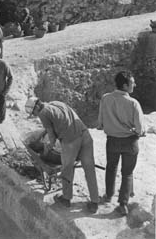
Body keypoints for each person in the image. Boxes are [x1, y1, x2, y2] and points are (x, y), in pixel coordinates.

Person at [25, 97, 99, 213]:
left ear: (36, 107)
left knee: (67, 170)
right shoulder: (56, 103)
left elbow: (51, 135)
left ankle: (66, 199)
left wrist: (48, 148)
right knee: (89, 169)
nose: (35, 115)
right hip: (85, 134)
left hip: (70, 141)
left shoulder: (43, 114)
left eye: (33, 113)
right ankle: (94, 202)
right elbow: (58, 121)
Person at [97, 71, 145, 216]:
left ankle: (108, 196)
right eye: (132, 83)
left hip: (112, 141)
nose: (134, 85)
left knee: (111, 168)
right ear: (125, 86)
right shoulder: (133, 103)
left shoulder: (105, 98)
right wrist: (138, 132)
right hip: (130, 142)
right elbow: (140, 129)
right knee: (127, 173)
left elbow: (100, 124)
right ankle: (123, 204)